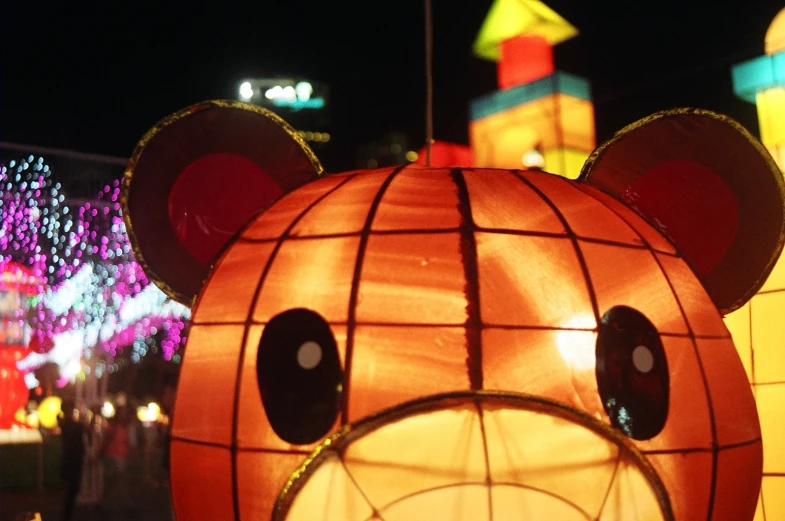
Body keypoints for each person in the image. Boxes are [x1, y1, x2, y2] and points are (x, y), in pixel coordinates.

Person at [58, 399, 85, 521]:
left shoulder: (64, 423)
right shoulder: (72, 425)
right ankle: (67, 515)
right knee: (73, 488)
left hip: (69, 458)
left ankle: (67, 513)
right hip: (74, 459)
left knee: (71, 488)